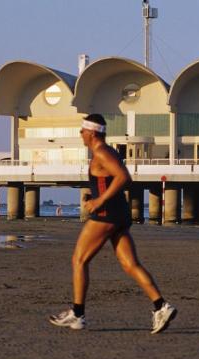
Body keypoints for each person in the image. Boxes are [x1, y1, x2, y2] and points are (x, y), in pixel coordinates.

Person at [49, 114, 177, 334]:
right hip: (119, 215)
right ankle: (161, 306)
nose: (80, 134)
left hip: (106, 215)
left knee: (79, 260)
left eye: (82, 130)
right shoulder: (105, 152)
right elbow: (110, 180)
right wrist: (96, 195)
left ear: (91, 132)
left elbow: (123, 177)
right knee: (130, 264)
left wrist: (99, 200)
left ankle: (78, 314)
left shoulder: (101, 152)